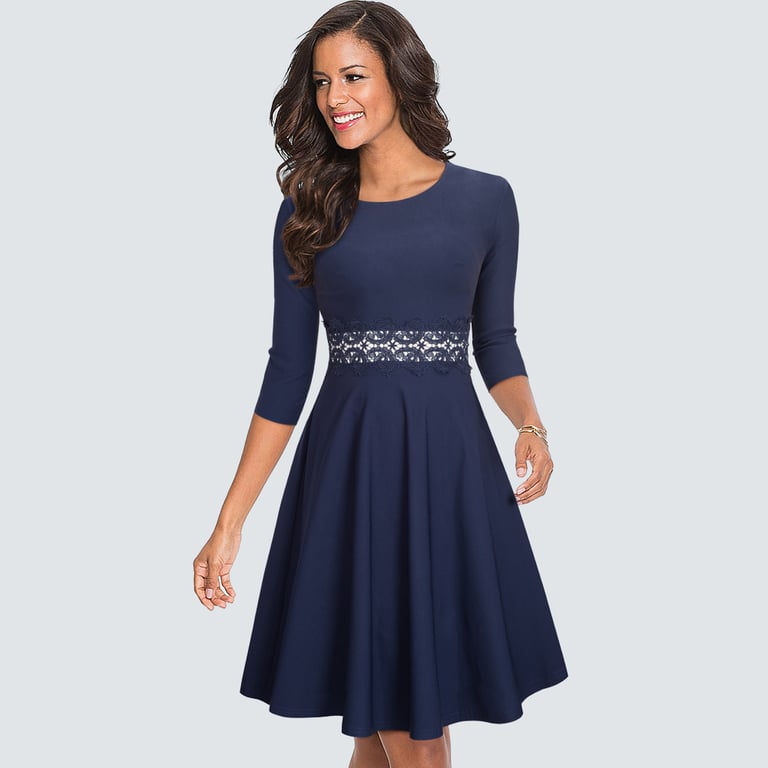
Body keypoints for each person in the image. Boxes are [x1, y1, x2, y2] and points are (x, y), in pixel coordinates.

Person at [193, 2, 568, 766]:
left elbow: (495, 342)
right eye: (322, 81)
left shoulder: (487, 200)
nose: (336, 97)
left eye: (354, 76)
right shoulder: (307, 210)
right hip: (352, 477)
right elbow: (288, 371)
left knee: (391, 727)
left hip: (450, 473)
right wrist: (230, 521)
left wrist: (530, 424)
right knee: (404, 726)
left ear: (399, 77)